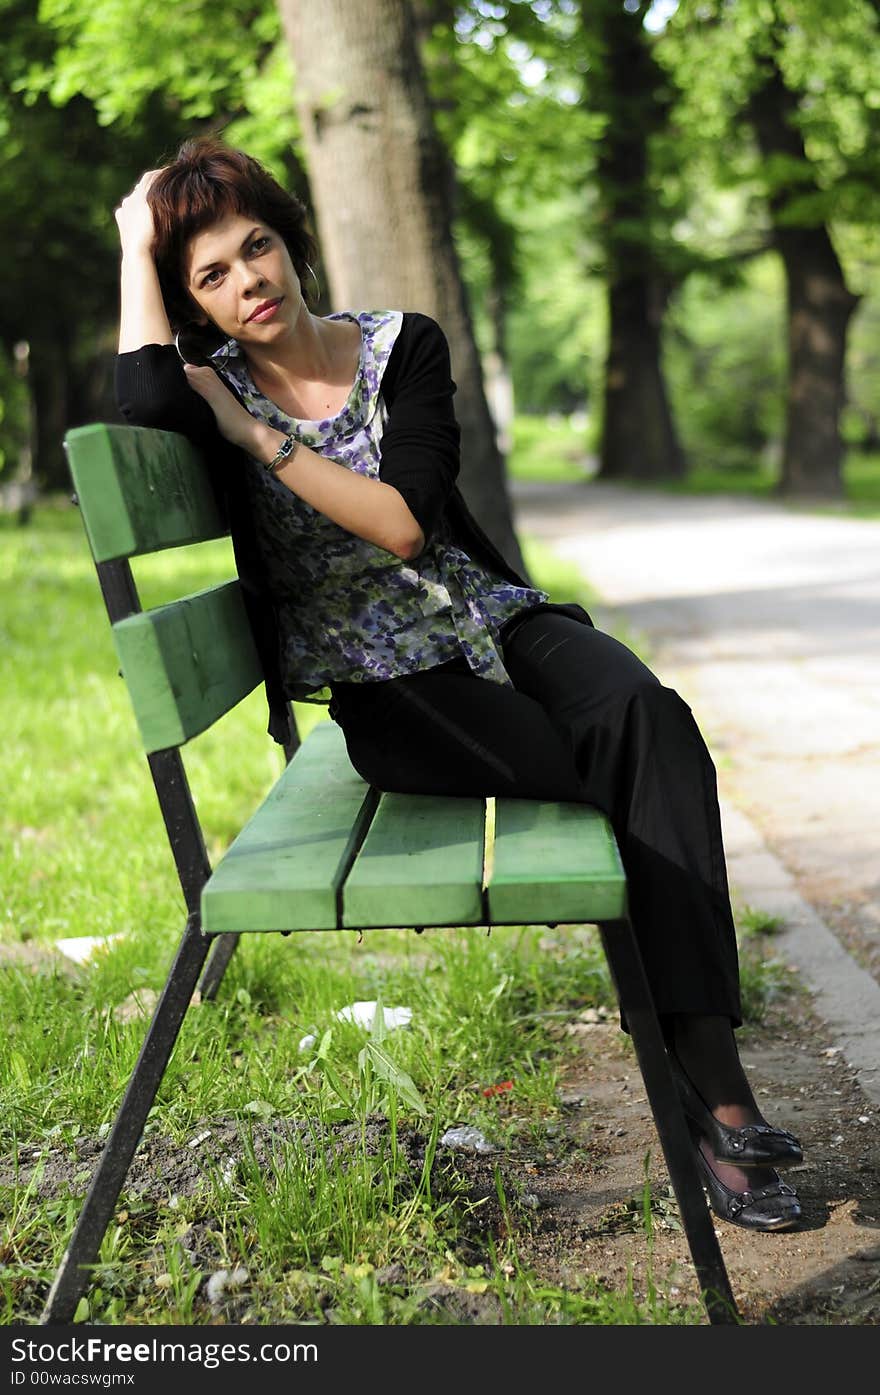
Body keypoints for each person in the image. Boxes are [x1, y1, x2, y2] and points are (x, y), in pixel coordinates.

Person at [114, 136, 803, 1232]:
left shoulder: (401, 346)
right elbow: (140, 393)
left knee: (644, 717)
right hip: (390, 690)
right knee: (623, 764)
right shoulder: (209, 389)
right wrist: (130, 238)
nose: (248, 279)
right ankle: (717, 1103)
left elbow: (407, 520)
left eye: (257, 246)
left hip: (494, 623)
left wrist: (256, 439)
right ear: (188, 301)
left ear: (291, 242)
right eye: (210, 273)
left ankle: (709, 1087)